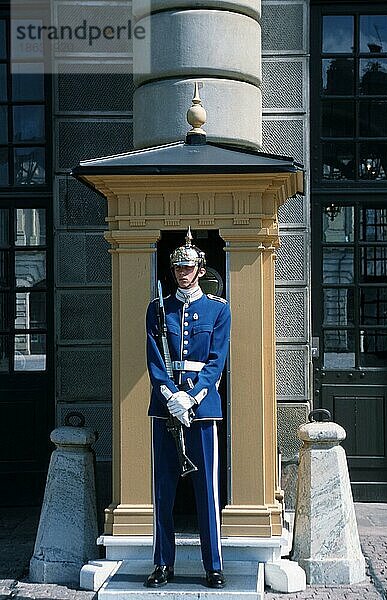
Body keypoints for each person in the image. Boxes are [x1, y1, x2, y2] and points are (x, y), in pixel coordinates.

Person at [145, 228, 231, 589]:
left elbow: (217, 360)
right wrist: (170, 396)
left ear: (201, 269)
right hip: (167, 406)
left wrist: (191, 397)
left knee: (206, 489)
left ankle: (212, 565)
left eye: (189, 267)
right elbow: (154, 358)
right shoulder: (158, 309)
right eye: (178, 267)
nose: (183, 272)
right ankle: (163, 564)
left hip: (201, 405)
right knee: (163, 488)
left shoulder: (217, 310)